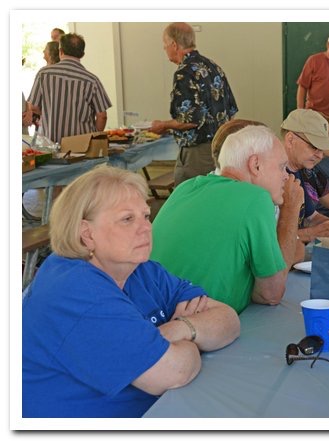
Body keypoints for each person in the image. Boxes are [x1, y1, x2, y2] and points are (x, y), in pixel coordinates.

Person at [22, 166, 240, 417]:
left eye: (146, 216)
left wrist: (180, 329)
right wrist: (194, 344)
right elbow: (174, 373)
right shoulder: (75, 289)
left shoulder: (140, 270)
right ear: (87, 234)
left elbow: (228, 319)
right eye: (127, 219)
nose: (146, 227)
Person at [151, 125, 304, 314]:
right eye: (281, 167)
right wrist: (290, 209)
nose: (286, 176)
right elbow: (271, 294)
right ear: (255, 165)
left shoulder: (186, 187)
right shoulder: (255, 198)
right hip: (193, 321)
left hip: (148, 312)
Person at [150, 22, 238, 186]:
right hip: (222, 148)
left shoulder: (184, 73)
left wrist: (163, 125)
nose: (164, 49)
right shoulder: (213, 66)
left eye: (165, 44)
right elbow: (231, 110)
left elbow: (190, 120)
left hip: (198, 153)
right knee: (214, 193)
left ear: (174, 45)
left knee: (190, 194)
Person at [281, 109, 329, 243]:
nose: (320, 155)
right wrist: (311, 233)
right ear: (290, 140)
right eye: (314, 146)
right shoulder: (271, 176)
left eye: (321, 149)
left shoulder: (305, 170)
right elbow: (269, 238)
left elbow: (311, 217)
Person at [28, 33, 112, 143]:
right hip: (82, 145)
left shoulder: (43, 74)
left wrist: (51, 115)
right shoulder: (92, 80)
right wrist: (92, 139)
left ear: (61, 51)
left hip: (50, 143)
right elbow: (102, 116)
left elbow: (33, 107)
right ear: (82, 54)